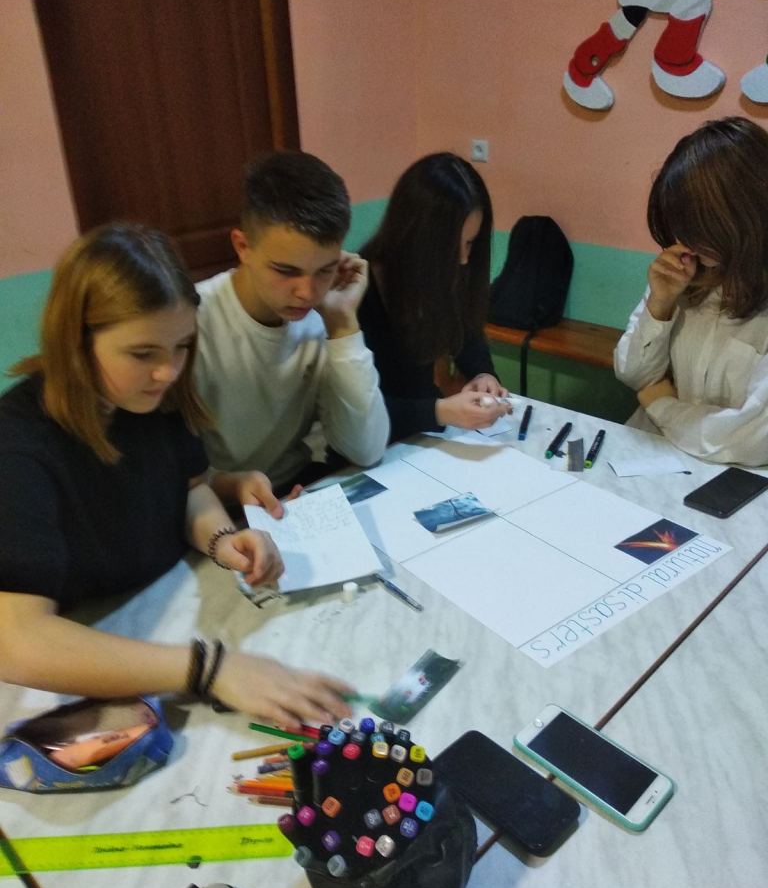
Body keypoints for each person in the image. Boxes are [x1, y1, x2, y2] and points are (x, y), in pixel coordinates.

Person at [0, 223, 353, 725]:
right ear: (76, 340)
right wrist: (211, 668)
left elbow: (190, 490)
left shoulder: (152, 399)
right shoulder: (18, 448)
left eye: (182, 346)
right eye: (143, 353)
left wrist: (223, 540)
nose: (168, 371)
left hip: (163, 612)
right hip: (79, 662)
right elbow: (19, 642)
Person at [193, 151, 389, 503]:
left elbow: (367, 449)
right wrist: (233, 488)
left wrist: (343, 325)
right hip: (213, 505)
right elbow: (170, 473)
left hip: (294, 491)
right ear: (243, 246)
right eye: (286, 271)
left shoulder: (323, 315)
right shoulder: (194, 322)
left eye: (325, 270)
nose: (307, 293)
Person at [614, 116, 768, 466]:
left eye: (701, 225)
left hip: (736, 476)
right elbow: (633, 374)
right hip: (657, 455)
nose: (687, 241)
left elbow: (752, 439)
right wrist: (660, 305)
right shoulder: (691, 273)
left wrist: (661, 404)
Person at [357, 152, 510, 442]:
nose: (463, 260)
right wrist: (440, 411)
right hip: (377, 445)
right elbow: (357, 415)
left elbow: (466, 332)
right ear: (414, 237)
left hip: (422, 438)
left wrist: (482, 375)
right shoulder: (356, 292)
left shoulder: (442, 275)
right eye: (452, 247)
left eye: (470, 243)